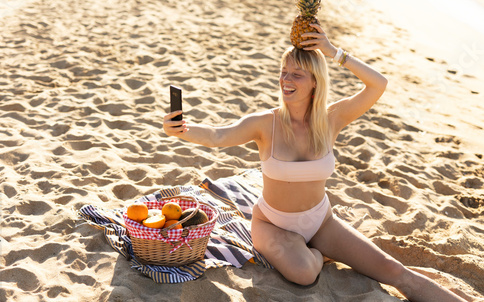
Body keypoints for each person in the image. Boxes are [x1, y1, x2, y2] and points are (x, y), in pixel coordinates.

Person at [163, 24, 466, 301]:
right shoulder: (264, 123)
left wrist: (333, 51)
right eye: (284, 72)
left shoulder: (331, 119)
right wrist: (184, 130)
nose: (286, 80)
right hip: (272, 224)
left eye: (297, 74)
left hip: (322, 220)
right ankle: (319, 255)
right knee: (305, 274)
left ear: (314, 83)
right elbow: (218, 135)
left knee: (394, 270)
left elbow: (378, 84)